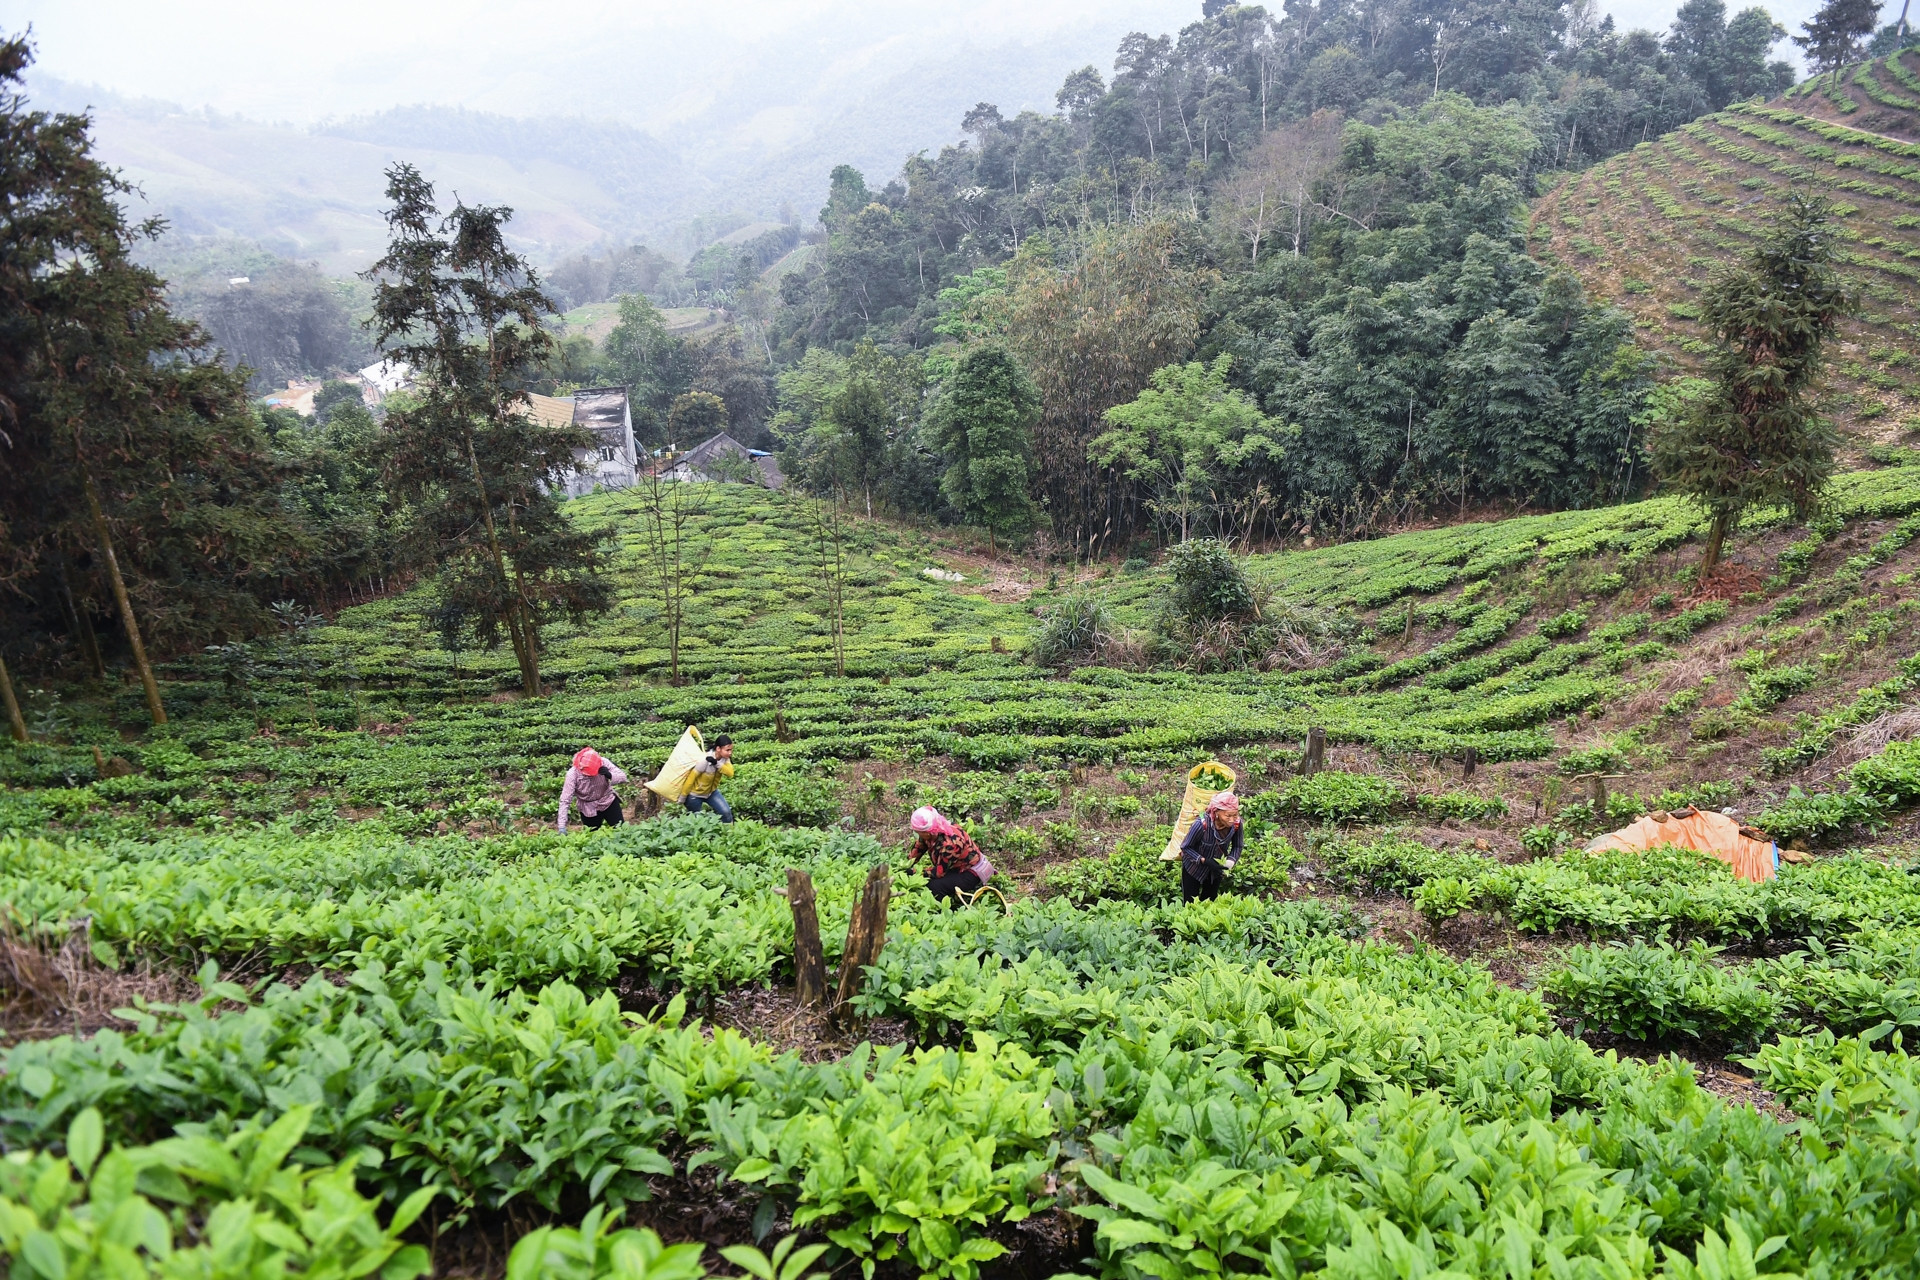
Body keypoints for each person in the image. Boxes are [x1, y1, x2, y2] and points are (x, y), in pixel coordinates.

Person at [907, 805, 994, 905]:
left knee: (934, 886)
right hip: (954, 867)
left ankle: (945, 911)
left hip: (970, 872)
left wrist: (915, 873)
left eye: (918, 832)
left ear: (927, 832)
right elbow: (919, 847)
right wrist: (907, 864)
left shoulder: (950, 844)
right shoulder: (932, 830)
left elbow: (939, 872)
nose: (917, 834)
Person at [1179, 791, 1243, 902]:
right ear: (1216, 812)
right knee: (1189, 902)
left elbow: (1238, 846)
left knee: (1209, 901)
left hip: (1215, 871)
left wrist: (1231, 860)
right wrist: (1204, 860)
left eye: (1235, 815)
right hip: (1193, 869)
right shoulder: (1201, 824)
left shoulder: (1237, 824)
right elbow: (1186, 847)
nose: (1232, 819)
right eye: (1228, 815)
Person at [558, 747, 628, 832]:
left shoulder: (603, 762)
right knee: (592, 836)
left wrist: (609, 774)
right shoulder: (572, 774)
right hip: (588, 808)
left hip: (608, 801)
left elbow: (623, 777)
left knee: (621, 830)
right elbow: (565, 800)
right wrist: (562, 825)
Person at [683, 733, 736, 822]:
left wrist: (717, 764)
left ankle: (728, 833)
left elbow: (730, 773)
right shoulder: (704, 760)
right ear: (718, 748)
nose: (730, 753)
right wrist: (683, 797)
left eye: (731, 750)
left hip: (711, 793)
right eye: (727, 750)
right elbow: (691, 779)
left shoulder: (725, 759)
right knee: (697, 821)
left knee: (726, 813)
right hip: (695, 795)